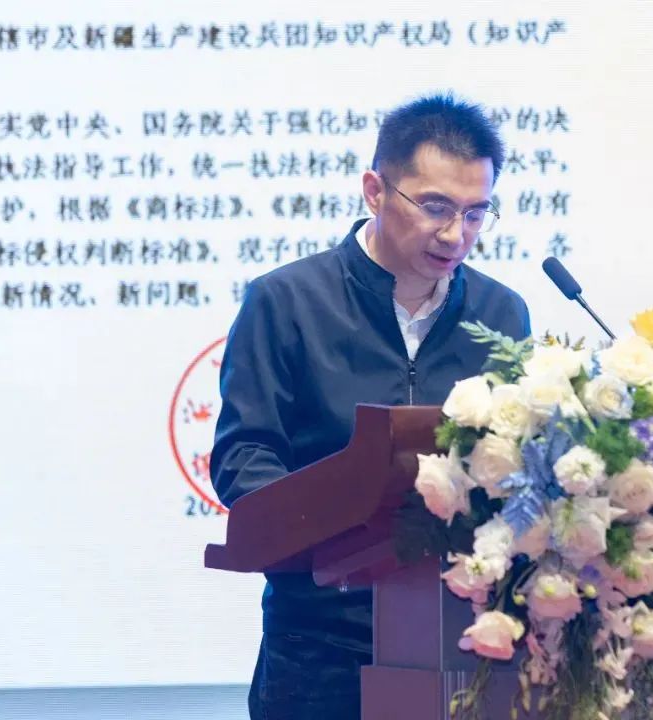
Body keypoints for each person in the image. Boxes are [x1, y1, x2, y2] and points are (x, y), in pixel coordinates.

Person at [209, 92, 531, 720]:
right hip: (321, 644)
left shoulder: (501, 313)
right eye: (435, 207)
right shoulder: (286, 301)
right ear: (375, 191)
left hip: (465, 641)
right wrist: (337, 530)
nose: (455, 234)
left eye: (475, 213)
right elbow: (244, 457)